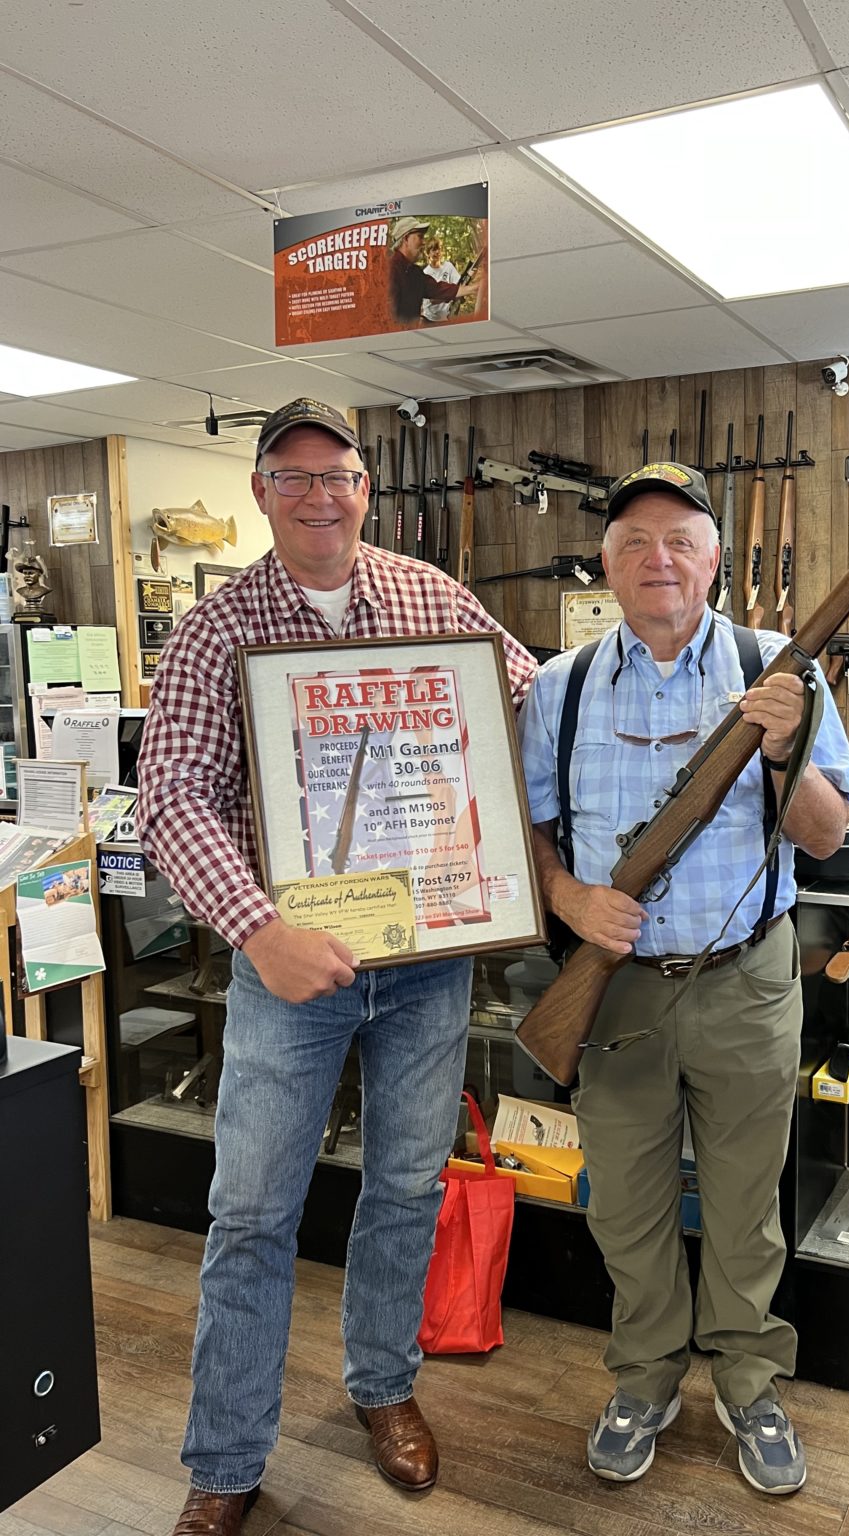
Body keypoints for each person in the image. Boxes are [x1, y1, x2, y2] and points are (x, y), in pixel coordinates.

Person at [136, 397, 536, 1536]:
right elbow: (171, 800)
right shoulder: (216, 630)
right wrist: (260, 930)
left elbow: (526, 700)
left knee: (406, 1187)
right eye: (294, 475)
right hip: (287, 968)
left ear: (368, 489)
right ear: (261, 492)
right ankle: (226, 1459)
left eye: (339, 475)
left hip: (426, 961)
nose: (319, 495)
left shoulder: (431, 598)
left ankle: (382, 1385)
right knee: (252, 1213)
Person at [516, 462, 849, 1497]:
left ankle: (750, 1382)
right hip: (613, 985)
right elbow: (529, 833)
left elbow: (827, 836)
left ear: (714, 562)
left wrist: (785, 750)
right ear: (606, 565)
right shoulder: (560, 687)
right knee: (626, 1201)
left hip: (745, 980)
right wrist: (571, 902)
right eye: (634, 542)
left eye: (679, 541)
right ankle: (646, 1377)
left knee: (747, 1201)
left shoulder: (778, 673)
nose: (656, 559)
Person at [387, 217, 480, 329]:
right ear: (406, 238)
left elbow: (439, 289)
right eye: (420, 237)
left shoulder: (416, 273)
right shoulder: (389, 270)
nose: (423, 242)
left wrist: (476, 287)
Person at [421, 237, 461, 323]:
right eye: (434, 250)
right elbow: (433, 300)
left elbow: (459, 285)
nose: (437, 252)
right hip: (429, 320)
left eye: (439, 249)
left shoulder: (448, 267)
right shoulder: (425, 273)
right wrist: (451, 294)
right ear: (428, 253)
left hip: (447, 318)